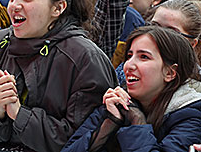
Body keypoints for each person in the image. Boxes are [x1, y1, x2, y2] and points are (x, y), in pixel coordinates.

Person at [0, 0, 117, 152]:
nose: (15, 5)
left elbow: (80, 141)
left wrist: (18, 113)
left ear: (58, 8)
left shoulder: (84, 58)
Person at [62, 25, 201, 152]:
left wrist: (137, 122)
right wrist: (110, 123)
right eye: (129, 56)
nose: (129, 65)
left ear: (170, 73)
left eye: (144, 57)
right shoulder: (117, 101)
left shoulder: (192, 116)